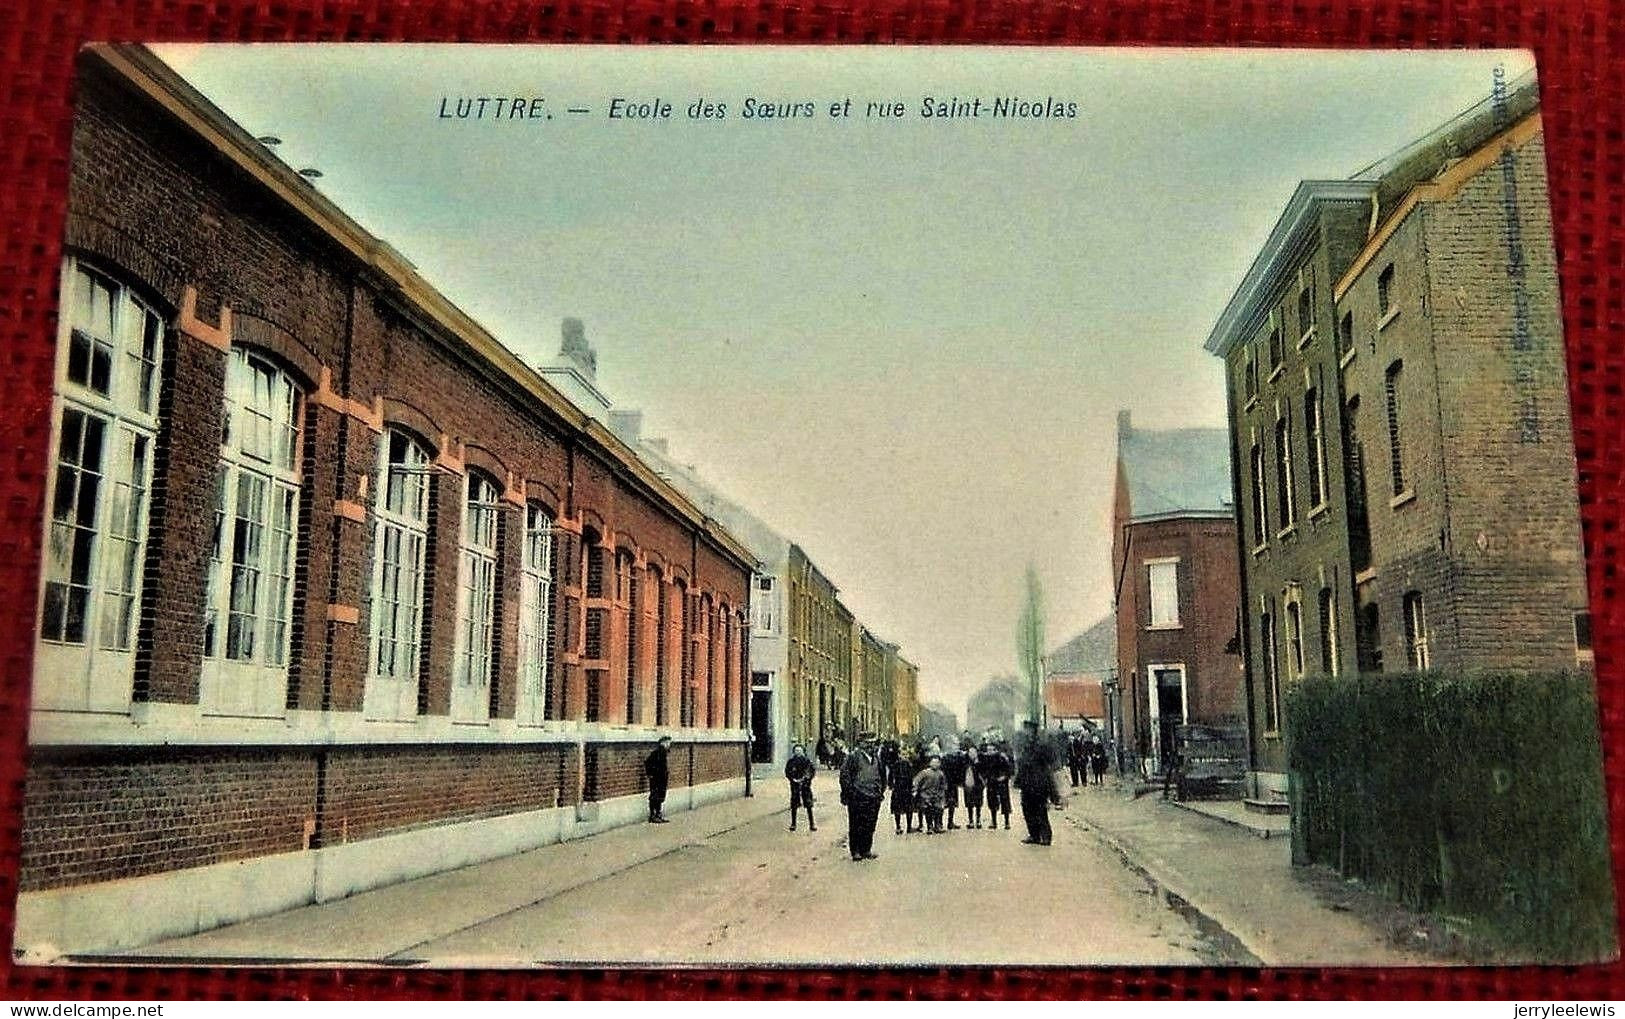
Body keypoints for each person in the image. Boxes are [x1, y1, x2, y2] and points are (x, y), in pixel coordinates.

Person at [839, 731, 885, 861]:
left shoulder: (877, 759)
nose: (870, 746)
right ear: (860, 744)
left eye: (872, 743)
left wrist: (880, 791)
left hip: (874, 796)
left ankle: (866, 849)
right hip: (858, 796)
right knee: (856, 824)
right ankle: (856, 851)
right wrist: (850, 792)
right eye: (867, 743)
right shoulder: (853, 757)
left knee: (870, 824)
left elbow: (882, 776)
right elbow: (844, 776)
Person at [1014, 723, 1062, 845]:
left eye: (1028, 730)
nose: (1026, 732)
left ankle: (1046, 836)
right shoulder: (1026, 744)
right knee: (1028, 809)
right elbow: (1022, 763)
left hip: (1039, 782)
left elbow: (1050, 762)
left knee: (1040, 810)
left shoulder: (1041, 745)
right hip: (1027, 782)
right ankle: (1034, 835)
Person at [979, 741, 1013, 831]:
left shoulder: (1001, 758)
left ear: (995, 750)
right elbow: (982, 769)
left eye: (991, 750)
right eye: (988, 750)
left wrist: (1004, 777)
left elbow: (1009, 769)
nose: (989, 751)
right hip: (991, 782)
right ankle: (994, 821)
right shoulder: (985, 759)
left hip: (1002, 782)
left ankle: (1007, 822)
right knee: (992, 802)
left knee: (1005, 802)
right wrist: (985, 779)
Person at [912, 755, 948, 834]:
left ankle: (937, 825)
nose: (935, 764)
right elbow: (916, 781)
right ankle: (929, 826)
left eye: (937, 762)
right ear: (930, 763)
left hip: (937, 795)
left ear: (939, 764)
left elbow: (944, 785)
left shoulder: (940, 773)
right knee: (928, 811)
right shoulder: (924, 772)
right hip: (926, 795)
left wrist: (942, 794)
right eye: (933, 762)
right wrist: (915, 790)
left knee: (938, 810)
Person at [785, 743, 817, 831]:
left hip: (805, 786)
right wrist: (793, 779)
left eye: (799, 751)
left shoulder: (807, 761)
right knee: (794, 805)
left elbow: (811, 772)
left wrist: (805, 779)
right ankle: (793, 823)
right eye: (796, 751)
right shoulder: (791, 762)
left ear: (803, 752)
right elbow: (787, 772)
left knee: (808, 804)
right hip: (795, 786)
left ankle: (812, 824)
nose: (798, 752)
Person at [644, 736, 673, 823]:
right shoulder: (658, 753)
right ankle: (653, 815)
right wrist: (650, 774)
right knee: (655, 796)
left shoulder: (663, 752)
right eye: (668, 743)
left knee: (659, 797)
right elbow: (648, 762)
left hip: (661, 778)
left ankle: (658, 814)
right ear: (663, 743)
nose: (669, 745)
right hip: (657, 779)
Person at [889, 747, 917, 833]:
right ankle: (905, 827)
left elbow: (890, 777)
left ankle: (900, 827)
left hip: (900, 789)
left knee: (900, 809)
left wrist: (891, 785)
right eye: (903, 754)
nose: (904, 756)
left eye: (906, 754)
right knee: (907, 809)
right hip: (904, 789)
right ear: (899, 755)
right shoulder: (908, 765)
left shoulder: (896, 764)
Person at [941, 744, 969, 829]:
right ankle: (945, 822)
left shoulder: (946, 758)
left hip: (950, 784)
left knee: (949, 803)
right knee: (947, 803)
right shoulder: (950, 758)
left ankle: (945, 822)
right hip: (949, 784)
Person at [961, 743, 986, 828]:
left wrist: (977, 764)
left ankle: (978, 820)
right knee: (969, 803)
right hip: (968, 785)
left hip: (978, 785)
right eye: (970, 752)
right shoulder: (964, 761)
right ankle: (971, 821)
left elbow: (983, 772)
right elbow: (961, 771)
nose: (972, 754)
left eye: (974, 752)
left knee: (978, 803)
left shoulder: (981, 760)